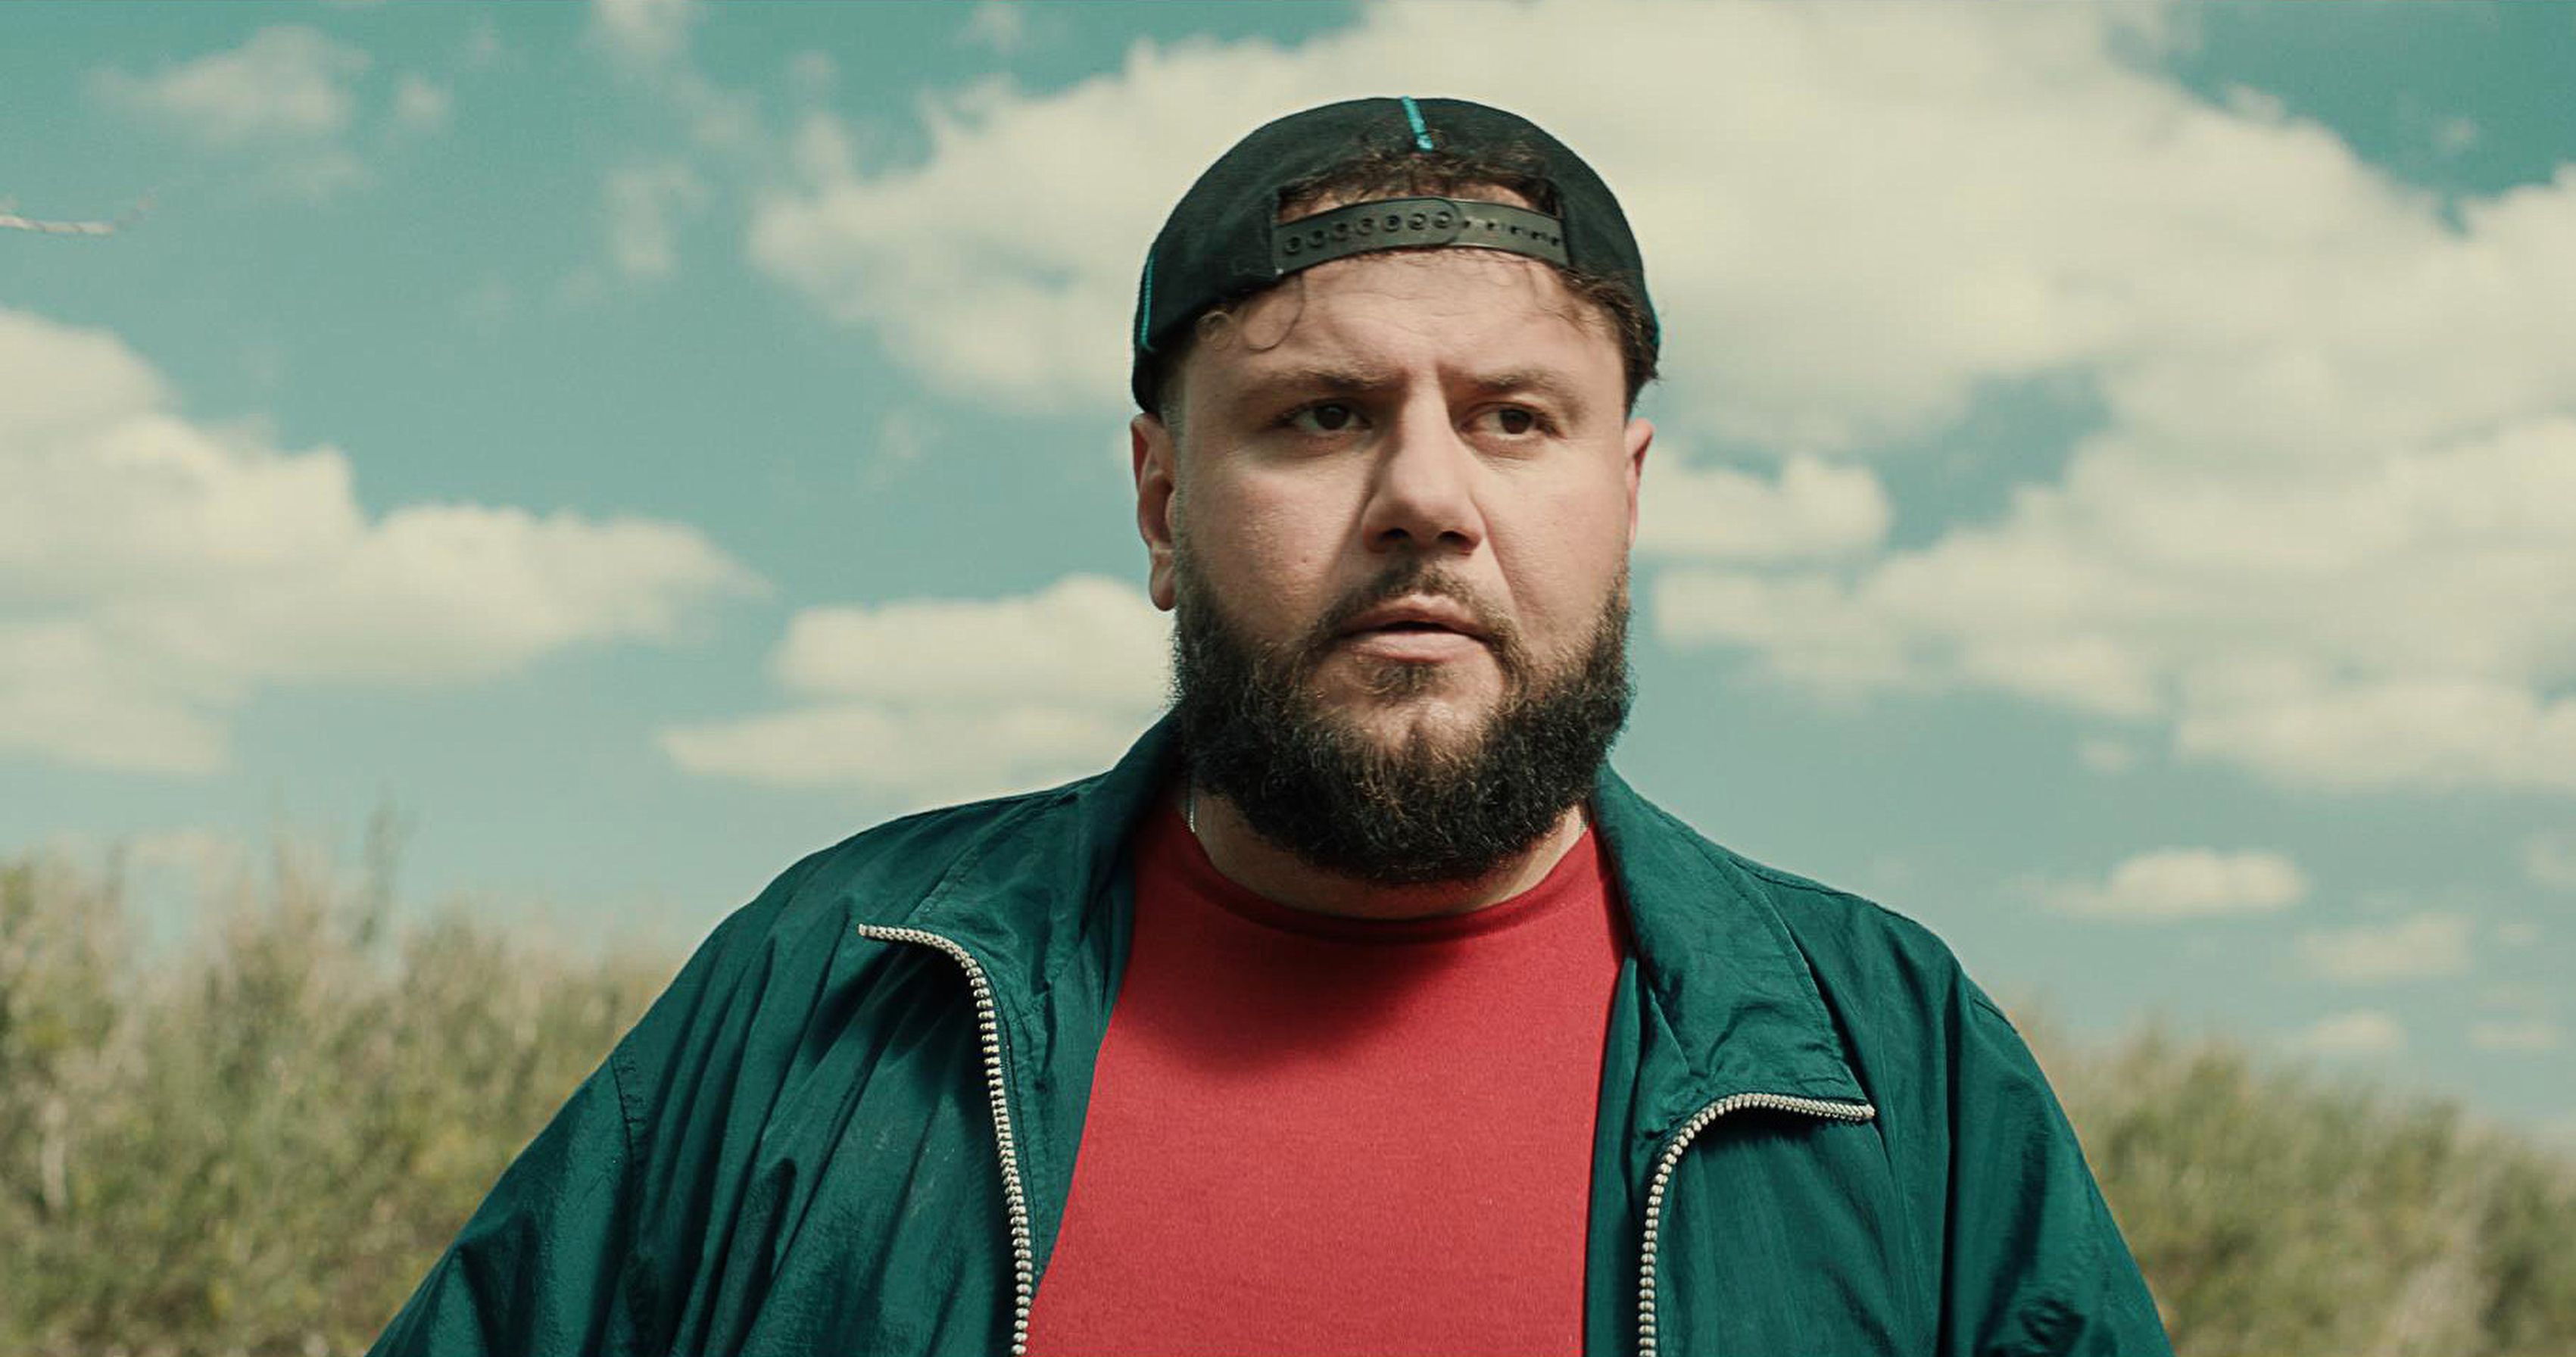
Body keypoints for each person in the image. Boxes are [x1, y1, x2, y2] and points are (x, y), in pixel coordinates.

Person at [370, 96, 2172, 1357]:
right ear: (1162, 502)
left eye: (1516, 417)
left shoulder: (1894, 1067)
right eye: (1320, 414)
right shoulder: (829, 989)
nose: (1427, 498)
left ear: (1626, 494)